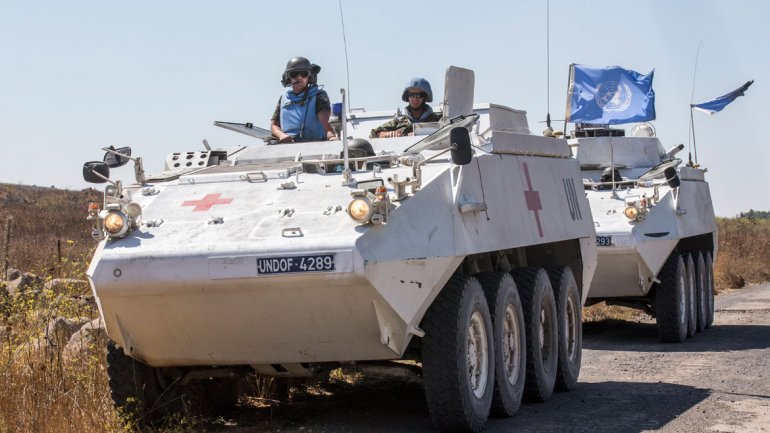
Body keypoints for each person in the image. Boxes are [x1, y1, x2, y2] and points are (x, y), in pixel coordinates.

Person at [270, 57, 338, 143]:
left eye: (303, 74)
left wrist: (331, 135)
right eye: (294, 74)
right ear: (288, 78)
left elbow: (325, 122)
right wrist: (281, 135)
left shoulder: (318, 96)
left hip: (314, 145)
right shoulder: (283, 99)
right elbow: (274, 126)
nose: (299, 78)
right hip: (287, 145)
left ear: (310, 77)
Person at [370, 77, 442, 138]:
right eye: (411, 95)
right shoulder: (398, 122)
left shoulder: (439, 120)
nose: (415, 98)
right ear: (407, 96)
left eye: (419, 95)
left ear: (425, 97)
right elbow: (374, 133)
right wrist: (387, 134)